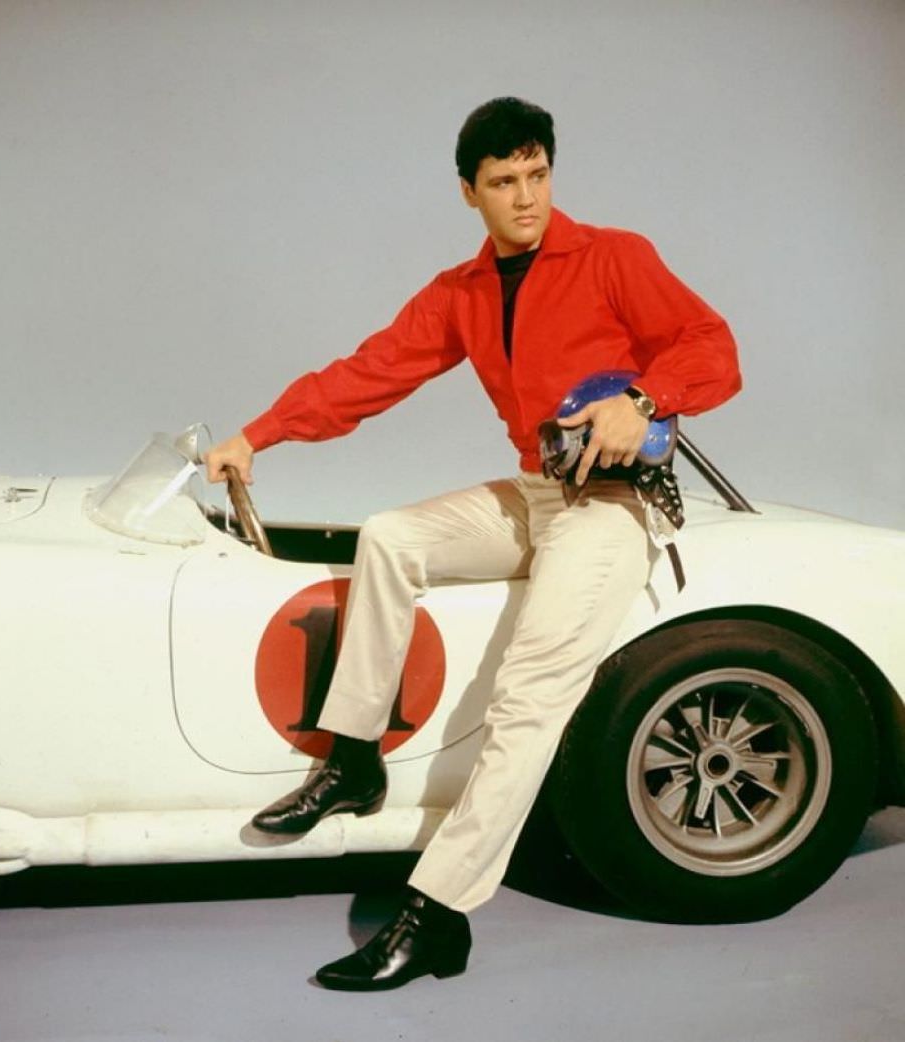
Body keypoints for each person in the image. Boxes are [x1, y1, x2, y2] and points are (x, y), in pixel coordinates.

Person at [205, 97, 741, 991]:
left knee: (530, 693)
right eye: (504, 182)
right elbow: (367, 374)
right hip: (538, 495)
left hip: (613, 507)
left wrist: (641, 400)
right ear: (470, 193)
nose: (526, 197)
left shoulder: (615, 256)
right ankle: (353, 760)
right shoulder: (462, 292)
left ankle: (437, 913)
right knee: (389, 537)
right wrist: (258, 435)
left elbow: (714, 347)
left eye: (538, 175)